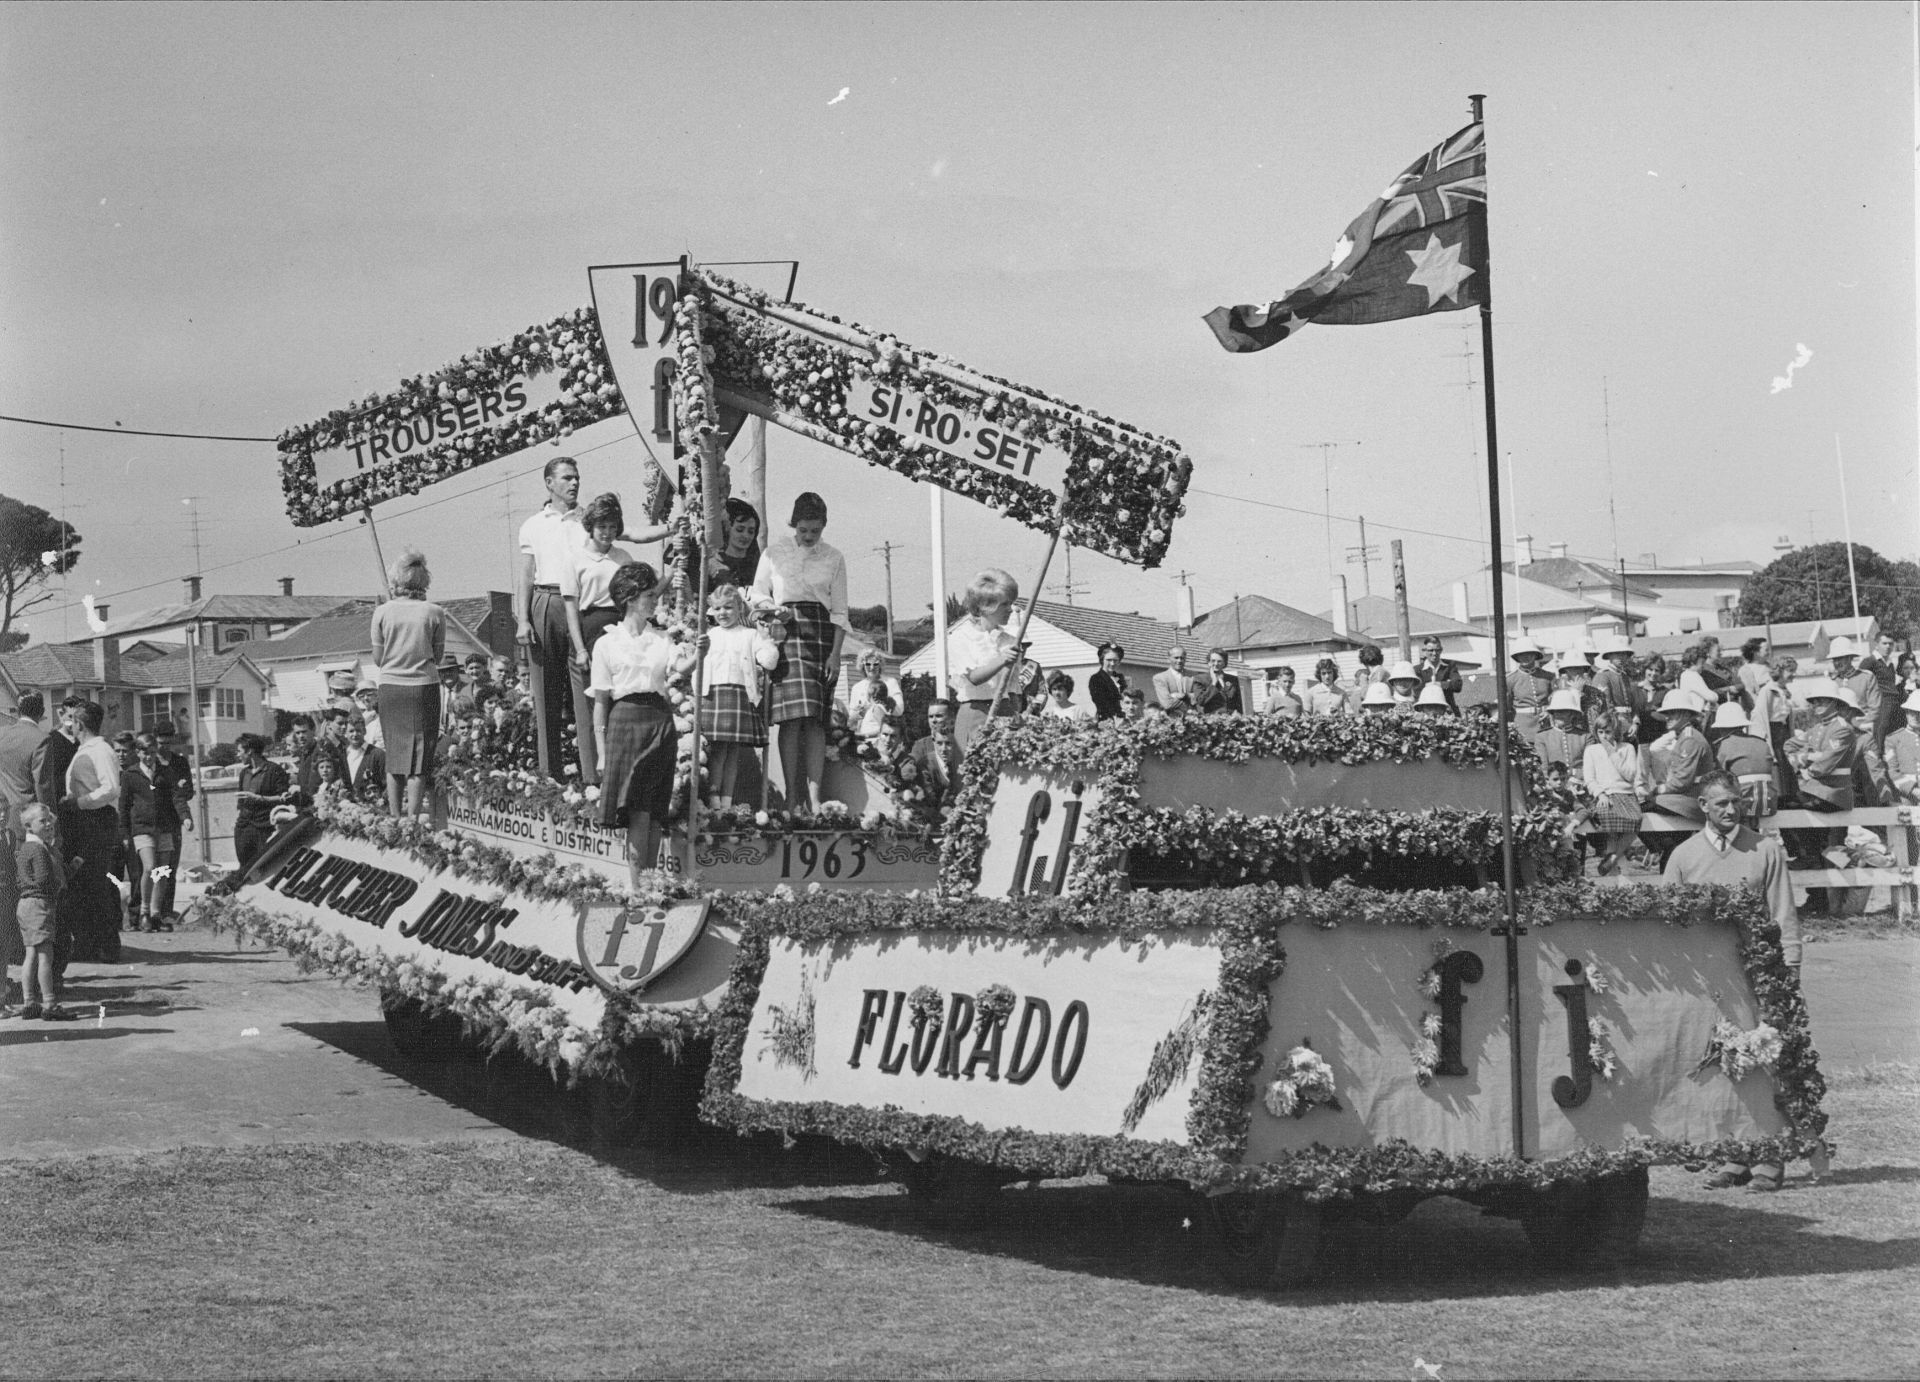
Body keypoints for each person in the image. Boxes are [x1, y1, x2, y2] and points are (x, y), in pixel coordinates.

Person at [1664, 772, 1800, 1193]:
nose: (1730, 810)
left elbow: (1783, 913)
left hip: (1759, 975)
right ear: (1703, 805)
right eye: (1721, 803)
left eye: (1736, 802)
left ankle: (1769, 1162)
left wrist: (1788, 970)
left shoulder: (1765, 851)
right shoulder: (1684, 857)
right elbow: (1669, 922)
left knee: (1766, 1063)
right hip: (1708, 983)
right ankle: (1732, 1157)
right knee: (1720, 1065)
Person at [590, 562, 696, 878]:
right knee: (636, 812)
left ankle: (649, 884)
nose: (655, 600)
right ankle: (639, 890)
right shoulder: (606, 643)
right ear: (632, 597)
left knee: (652, 814)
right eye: (650, 595)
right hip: (625, 724)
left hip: (660, 725)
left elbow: (682, 668)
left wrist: (701, 651)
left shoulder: (660, 640)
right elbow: (599, 703)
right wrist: (602, 753)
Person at [753, 492, 850, 813]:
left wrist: (835, 655)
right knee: (791, 720)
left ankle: (815, 797)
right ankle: (793, 796)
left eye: (815, 531)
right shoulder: (774, 552)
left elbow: (839, 612)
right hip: (786, 634)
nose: (809, 537)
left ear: (824, 526)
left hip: (820, 637)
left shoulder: (834, 558)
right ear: (794, 524)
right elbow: (757, 593)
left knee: (816, 721)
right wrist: (771, 613)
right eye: (803, 530)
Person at [561, 492, 634, 785]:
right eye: (602, 526)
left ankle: (621, 778)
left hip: (620, 628)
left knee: (620, 705)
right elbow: (570, 608)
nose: (607, 532)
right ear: (591, 526)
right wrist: (580, 648)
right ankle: (593, 780)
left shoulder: (623, 557)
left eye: (613, 527)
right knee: (593, 709)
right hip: (589, 630)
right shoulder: (575, 558)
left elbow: (639, 595)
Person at [369, 548, 446, 818]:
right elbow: (437, 656)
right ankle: (413, 818)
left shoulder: (382, 612)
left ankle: (394, 816)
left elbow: (378, 658)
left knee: (395, 753)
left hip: (390, 687)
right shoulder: (434, 612)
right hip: (424, 686)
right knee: (419, 756)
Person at [698, 584, 780, 810]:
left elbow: (769, 661)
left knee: (733, 751)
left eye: (728, 607)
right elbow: (698, 667)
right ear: (712, 611)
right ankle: (714, 797)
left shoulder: (750, 635)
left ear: (740, 609)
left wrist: (766, 638)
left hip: (739, 694)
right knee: (717, 750)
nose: (723, 613)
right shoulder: (709, 635)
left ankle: (727, 801)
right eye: (718, 608)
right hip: (713, 695)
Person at [62, 700, 122, 964]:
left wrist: (80, 802)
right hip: (85, 819)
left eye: (73, 720)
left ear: (80, 724)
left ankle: (108, 946)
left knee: (97, 885)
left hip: (96, 819)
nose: (70, 725)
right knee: (85, 885)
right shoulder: (85, 749)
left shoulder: (101, 751)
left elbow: (110, 789)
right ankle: (90, 944)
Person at [947, 568, 1026, 753]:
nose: (1011, 609)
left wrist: (1016, 715)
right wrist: (1001, 660)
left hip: (1005, 713)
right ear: (985, 606)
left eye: (1012, 603)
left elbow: (1013, 687)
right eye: (1005, 604)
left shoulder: (1009, 640)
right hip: (976, 714)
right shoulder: (961, 637)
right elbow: (974, 677)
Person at [9, 805, 73, 1021]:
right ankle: (50, 1003)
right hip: (40, 904)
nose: (49, 825)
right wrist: (59, 885)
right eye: (43, 822)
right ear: (29, 826)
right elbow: (45, 879)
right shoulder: (39, 850)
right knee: (46, 955)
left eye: (50, 821)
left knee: (32, 954)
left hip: (26, 905)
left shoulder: (27, 847)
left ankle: (29, 1002)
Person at [119, 734, 180, 932]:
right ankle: (143, 911)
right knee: (150, 867)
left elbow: (175, 798)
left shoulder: (165, 772)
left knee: (162, 871)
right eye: (145, 753)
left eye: (152, 753)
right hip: (142, 828)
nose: (149, 757)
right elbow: (124, 805)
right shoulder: (130, 774)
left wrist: (184, 818)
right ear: (137, 752)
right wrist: (125, 833)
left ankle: (155, 914)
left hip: (163, 827)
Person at [1581, 709, 1644, 875]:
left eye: (1608, 732)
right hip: (1605, 795)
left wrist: (1613, 754)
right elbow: (1590, 779)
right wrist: (1600, 793)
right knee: (1607, 816)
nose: (1604, 736)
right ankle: (1612, 858)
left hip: (1625, 794)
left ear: (1615, 731)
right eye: (1600, 732)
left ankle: (1614, 856)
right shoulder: (1591, 751)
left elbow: (1630, 775)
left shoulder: (1627, 748)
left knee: (1636, 819)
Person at [1786, 681, 1859, 812]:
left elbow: (1825, 764)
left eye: (1821, 700)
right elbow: (1789, 745)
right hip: (1815, 791)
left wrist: (1805, 771)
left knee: (1786, 806)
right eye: (1814, 701)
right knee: (1783, 804)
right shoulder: (1817, 729)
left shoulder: (1842, 729)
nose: (1816, 704)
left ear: (1834, 702)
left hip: (1833, 794)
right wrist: (1809, 756)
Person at [1642, 690, 1712, 824]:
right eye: (1666, 713)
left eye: (1672, 713)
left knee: (1642, 809)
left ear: (1686, 714)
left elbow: (1682, 782)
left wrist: (1658, 790)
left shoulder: (1690, 740)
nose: (1667, 717)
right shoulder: (1684, 737)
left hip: (1694, 799)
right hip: (1687, 797)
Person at [232, 733, 292, 878]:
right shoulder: (244, 773)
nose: (238, 755)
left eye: (240, 751)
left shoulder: (274, 770)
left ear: (250, 751)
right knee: (245, 869)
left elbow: (284, 798)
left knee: (266, 869)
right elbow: (241, 800)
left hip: (265, 827)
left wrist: (260, 798)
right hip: (244, 827)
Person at [1710, 701, 1776, 821]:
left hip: (1741, 805)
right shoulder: (1762, 743)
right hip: (1769, 803)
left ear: (1722, 727)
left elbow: (1718, 779)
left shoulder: (1724, 745)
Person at [0, 691, 49, 838]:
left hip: (4, 815)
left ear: (18, 710)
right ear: (42, 711)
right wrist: (51, 827)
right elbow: (43, 787)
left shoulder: (2, 734)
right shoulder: (42, 739)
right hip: (29, 821)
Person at [1825, 637, 1886, 751]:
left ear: (1850, 658)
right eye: (1835, 659)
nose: (1837, 662)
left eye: (1841, 658)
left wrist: (1859, 724)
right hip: (1837, 735)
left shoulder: (1866, 677)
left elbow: (1875, 708)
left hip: (1862, 731)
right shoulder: (1832, 682)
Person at [908, 699, 964, 809]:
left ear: (952, 718)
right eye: (930, 716)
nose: (934, 720)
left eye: (938, 716)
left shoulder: (960, 743)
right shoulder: (921, 745)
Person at [705, 497, 766, 590]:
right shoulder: (713, 564)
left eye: (750, 531)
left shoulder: (759, 566)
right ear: (728, 529)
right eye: (740, 530)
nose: (745, 536)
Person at [847, 649, 904, 741]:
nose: (872, 667)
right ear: (862, 665)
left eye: (875, 664)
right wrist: (860, 712)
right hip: (865, 735)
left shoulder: (890, 682)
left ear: (880, 665)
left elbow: (899, 710)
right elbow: (851, 718)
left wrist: (883, 702)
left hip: (886, 735)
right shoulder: (856, 687)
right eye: (868, 664)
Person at [1507, 638, 1556, 744]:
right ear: (1517, 657)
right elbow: (1507, 707)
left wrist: (1549, 711)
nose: (1525, 657)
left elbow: (1556, 699)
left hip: (1545, 725)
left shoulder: (1548, 676)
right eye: (1521, 654)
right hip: (1523, 727)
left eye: (1529, 654)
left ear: (1535, 655)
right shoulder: (1511, 680)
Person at [1594, 635, 1641, 734]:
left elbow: (1634, 705)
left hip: (1630, 726)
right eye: (1617, 653)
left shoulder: (1626, 677)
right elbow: (1606, 707)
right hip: (1613, 727)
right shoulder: (1603, 676)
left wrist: (1635, 723)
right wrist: (1623, 726)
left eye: (1624, 654)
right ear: (1609, 655)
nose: (1621, 657)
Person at [1538, 690, 1590, 773]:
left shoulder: (1585, 737)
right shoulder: (1542, 737)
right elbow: (1544, 768)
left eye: (1563, 711)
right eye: (1555, 711)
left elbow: (1590, 767)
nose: (1558, 714)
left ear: (1573, 713)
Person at [1884, 690, 1920, 804]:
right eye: (1912, 712)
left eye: (1919, 712)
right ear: (1906, 712)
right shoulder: (1893, 739)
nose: (1915, 716)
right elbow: (1892, 772)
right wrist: (1913, 790)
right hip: (1905, 796)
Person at [341, 714, 386, 803]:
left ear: (364, 731)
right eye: (351, 731)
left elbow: (386, 783)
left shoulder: (377, 754)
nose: (355, 734)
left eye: (358, 730)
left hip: (372, 806)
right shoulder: (343, 755)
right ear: (345, 734)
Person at [1414, 636, 1463, 710]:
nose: (1434, 653)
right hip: (1425, 710)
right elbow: (1417, 690)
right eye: (1431, 650)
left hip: (1448, 709)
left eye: (1437, 650)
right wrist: (1447, 684)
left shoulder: (1449, 665)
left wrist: (1438, 684)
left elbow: (1457, 685)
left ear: (1441, 650)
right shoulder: (1417, 669)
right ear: (1424, 651)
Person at [1087, 643, 1128, 721]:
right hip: (1107, 719)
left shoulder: (1120, 677)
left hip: (1123, 718)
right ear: (1102, 660)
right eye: (1109, 660)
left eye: (1115, 660)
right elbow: (1101, 703)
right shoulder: (1096, 679)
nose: (1112, 663)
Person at [1194, 649, 1242, 715]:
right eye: (1213, 661)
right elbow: (1201, 701)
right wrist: (1213, 683)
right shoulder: (1200, 679)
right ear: (1208, 662)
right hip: (1212, 721)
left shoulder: (1233, 679)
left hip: (1231, 720)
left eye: (1219, 661)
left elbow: (1239, 705)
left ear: (1224, 663)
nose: (1216, 664)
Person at [1344, 644, 1386, 715]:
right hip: (1378, 707)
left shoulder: (1378, 672)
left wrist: (1363, 679)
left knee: (1356, 695)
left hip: (1378, 709)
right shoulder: (1379, 670)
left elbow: (1366, 695)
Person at [1152, 647, 1197, 714]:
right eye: (1176, 658)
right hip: (1170, 718)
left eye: (1182, 658)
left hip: (1193, 718)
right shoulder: (1160, 678)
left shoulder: (1193, 676)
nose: (1179, 661)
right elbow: (1167, 703)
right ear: (1169, 659)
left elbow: (1199, 698)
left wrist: (1184, 695)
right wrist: (1189, 701)